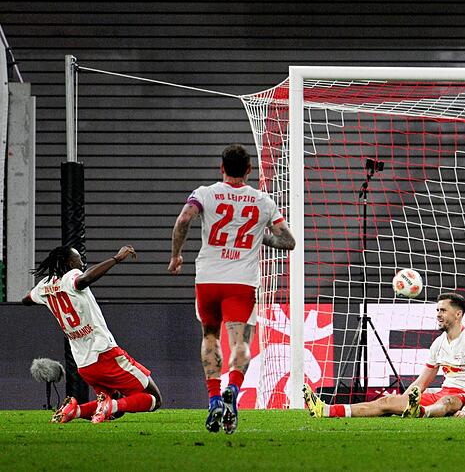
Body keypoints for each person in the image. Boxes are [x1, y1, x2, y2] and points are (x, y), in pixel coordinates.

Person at [169, 143, 296, 434]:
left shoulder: (205, 193)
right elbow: (288, 241)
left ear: (222, 168)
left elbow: (184, 219)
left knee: (210, 336)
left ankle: (214, 398)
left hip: (208, 278)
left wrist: (176, 256)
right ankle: (233, 389)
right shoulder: (263, 201)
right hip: (241, 281)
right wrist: (260, 237)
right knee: (240, 342)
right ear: (249, 170)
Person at [21, 245, 162, 424]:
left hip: (84, 364)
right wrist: (116, 258)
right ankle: (109, 406)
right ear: (69, 263)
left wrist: (49, 295)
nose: (82, 263)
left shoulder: (43, 287)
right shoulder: (71, 276)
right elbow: (85, 279)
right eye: (78, 259)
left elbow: (26, 300)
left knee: (115, 408)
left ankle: (75, 411)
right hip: (104, 352)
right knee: (154, 398)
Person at [303, 293, 465, 418]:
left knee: (448, 402)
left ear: (458, 314)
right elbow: (422, 382)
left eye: (443, 310)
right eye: (437, 310)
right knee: (387, 401)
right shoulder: (439, 343)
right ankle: (327, 410)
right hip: (445, 392)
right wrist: (403, 401)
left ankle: (422, 412)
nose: (438, 314)